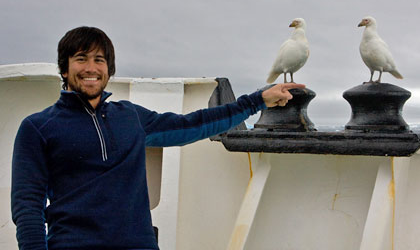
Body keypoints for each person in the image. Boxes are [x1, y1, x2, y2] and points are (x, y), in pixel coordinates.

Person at [11, 26, 305, 250]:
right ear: (65, 68)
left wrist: (257, 101)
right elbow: (27, 206)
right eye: (81, 58)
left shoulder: (131, 117)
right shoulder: (38, 127)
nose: (91, 68)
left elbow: (192, 124)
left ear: (109, 70)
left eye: (99, 60)